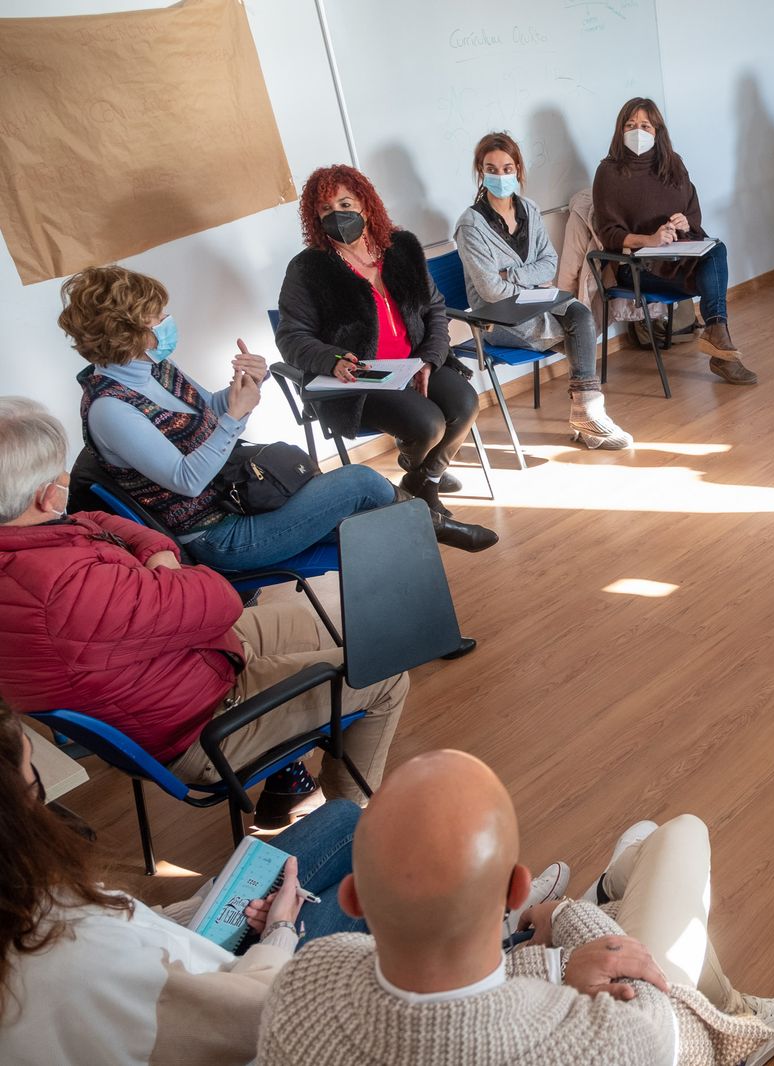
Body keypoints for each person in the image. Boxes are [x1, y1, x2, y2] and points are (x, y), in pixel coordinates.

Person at [258, 750, 774, 1066]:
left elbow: (442, 1016)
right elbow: (647, 983)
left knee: (650, 845)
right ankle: (739, 1019)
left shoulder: (305, 983)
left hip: (539, 983)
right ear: (516, 890)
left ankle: (620, 880)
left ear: (353, 898)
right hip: (672, 1032)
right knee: (680, 833)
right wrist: (564, 921)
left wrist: (553, 969)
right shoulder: (604, 1042)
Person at [0, 397, 409, 825]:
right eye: (59, 474)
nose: (68, 478)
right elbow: (220, 597)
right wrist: (169, 570)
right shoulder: (67, 590)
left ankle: (289, 787)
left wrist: (159, 556)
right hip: (203, 724)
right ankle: (348, 823)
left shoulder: (36, 543)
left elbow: (97, 520)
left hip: (170, 667)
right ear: (45, 497)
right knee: (384, 674)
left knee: (306, 623)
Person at [0, 707, 367, 1066]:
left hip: (191, 968)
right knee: (363, 886)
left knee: (343, 817)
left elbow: (129, 931)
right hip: (256, 1014)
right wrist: (280, 929)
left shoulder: (32, 903)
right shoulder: (79, 950)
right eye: (34, 789)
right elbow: (254, 1018)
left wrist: (212, 900)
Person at [58, 266, 492, 559]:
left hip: (238, 498)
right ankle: (432, 528)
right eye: (158, 316)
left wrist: (244, 385)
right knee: (362, 484)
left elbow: (201, 411)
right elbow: (187, 480)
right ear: (127, 331)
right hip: (218, 533)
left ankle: (425, 567)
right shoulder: (111, 409)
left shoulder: (152, 366)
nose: (168, 320)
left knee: (373, 517)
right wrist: (234, 418)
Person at [276, 165, 495, 526]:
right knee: (428, 425)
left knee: (465, 403)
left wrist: (429, 359)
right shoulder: (308, 269)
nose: (338, 215)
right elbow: (291, 336)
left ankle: (419, 480)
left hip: (414, 362)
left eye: (345, 203)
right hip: (361, 379)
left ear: (364, 203)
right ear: (315, 218)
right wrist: (331, 359)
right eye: (326, 210)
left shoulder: (401, 248)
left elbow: (435, 308)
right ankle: (426, 492)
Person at [456, 131, 632, 450]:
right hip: (498, 320)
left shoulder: (530, 210)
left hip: (536, 303)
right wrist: (529, 280)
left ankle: (586, 412)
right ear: (480, 172)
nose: (500, 175)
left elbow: (549, 264)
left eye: (507, 168)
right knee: (578, 331)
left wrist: (513, 273)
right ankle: (587, 412)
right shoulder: (470, 225)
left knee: (580, 312)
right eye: (491, 169)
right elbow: (492, 291)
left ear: (518, 170)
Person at [591, 98, 758, 386]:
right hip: (636, 267)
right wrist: (650, 240)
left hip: (677, 257)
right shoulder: (609, 172)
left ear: (657, 130)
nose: (637, 131)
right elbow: (609, 234)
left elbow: (693, 212)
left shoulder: (673, 163)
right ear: (620, 130)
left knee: (716, 249)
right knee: (711, 278)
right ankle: (721, 350)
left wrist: (685, 223)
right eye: (630, 125)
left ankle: (718, 334)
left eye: (645, 125)